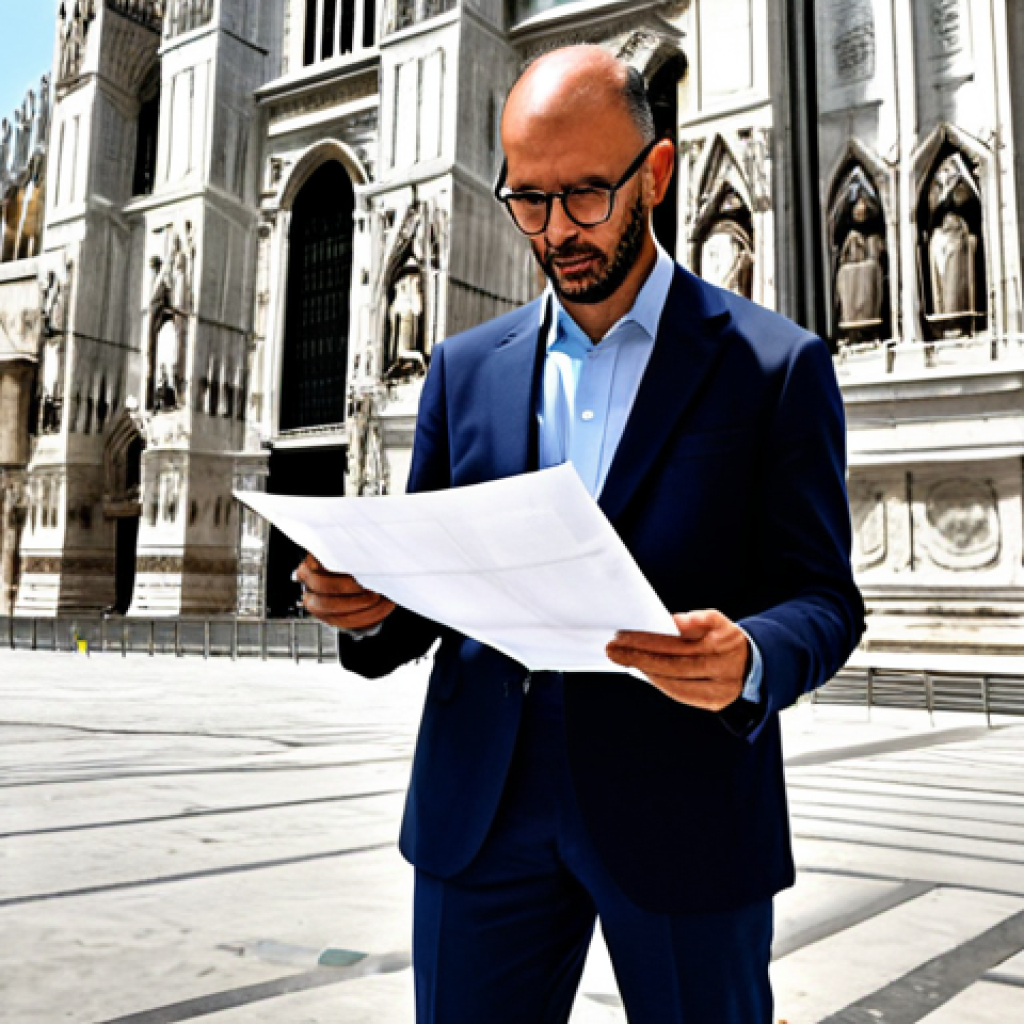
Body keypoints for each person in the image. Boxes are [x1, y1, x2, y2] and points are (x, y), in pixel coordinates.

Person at [297, 45, 864, 1024]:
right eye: (528, 199)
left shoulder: (772, 367)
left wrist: (752, 658)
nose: (556, 230)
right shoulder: (463, 371)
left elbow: (824, 599)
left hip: (683, 812)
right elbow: (418, 596)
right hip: (481, 813)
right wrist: (363, 607)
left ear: (655, 173)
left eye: (586, 196)